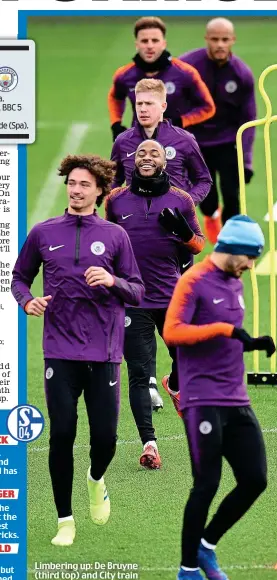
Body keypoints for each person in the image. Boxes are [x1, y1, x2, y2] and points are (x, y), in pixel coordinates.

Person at [11, 155, 145, 547]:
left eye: (85, 184)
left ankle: (96, 479)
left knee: (105, 439)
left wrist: (112, 279)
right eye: (71, 182)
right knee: (62, 434)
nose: (76, 189)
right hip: (59, 350)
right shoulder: (43, 232)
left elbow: (138, 290)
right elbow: (20, 277)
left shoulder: (116, 236)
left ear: (100, 191)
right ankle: (64, 520)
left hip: (103, 351)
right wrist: (26, 301)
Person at [163, 215, 276, 580]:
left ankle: (207, 546)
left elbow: (231, 334)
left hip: (235, 397)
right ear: (232, 250)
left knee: (254, 479)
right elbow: (173, 332)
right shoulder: (193, 281)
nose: (250, 266)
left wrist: (252, 341)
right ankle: (187, 570)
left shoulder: (234, 282)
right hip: (201, 398)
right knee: (206, 483)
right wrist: (226, 330)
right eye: (248, 257)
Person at [111, 77, 212, 411]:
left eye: (148, 104)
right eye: (138, 104)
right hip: (136, 236)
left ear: (163, 106)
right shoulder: (124, 141)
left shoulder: (183, 140)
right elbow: (113, 183)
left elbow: (204, 180)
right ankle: (149, 383)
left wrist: (185, 209)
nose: (142, 109)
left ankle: (174, 380)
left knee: (177, 322)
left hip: (177, 240)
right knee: (138, 309)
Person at [106, 139, 205, 470]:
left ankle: (175, 385)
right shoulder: (117, 201)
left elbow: (198, 245)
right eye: (142, 153)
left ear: (165, 162)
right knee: (138, 372)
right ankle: (149, 444)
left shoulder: (181, 200)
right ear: (133, 160)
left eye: (155, 153)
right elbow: (106, 244)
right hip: (132, 301)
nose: (147, 156)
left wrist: (182, 232)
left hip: (171, 300)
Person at [180, 18, 257, 244]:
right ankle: (211, 215)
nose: (220, 44)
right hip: (196, 143)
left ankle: (231, 243)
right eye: (215, 39)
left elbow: (248, 118)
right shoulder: (188, 66)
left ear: (233, 40)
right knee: (208, 198)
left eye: (225, 39)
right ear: (207, 40)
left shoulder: (242, 74)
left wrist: (246, 160)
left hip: (228, 142)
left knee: (233, 195)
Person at [107, 16, 215, 141]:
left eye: (155, 40)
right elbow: (115, 97)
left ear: (164, 44)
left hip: (178, 144)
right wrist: (116, 123)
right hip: (139, 145)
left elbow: (208, 107)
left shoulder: (186, 73)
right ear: (137, 45)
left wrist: (181, 121)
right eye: (144, 41)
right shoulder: (124, 75)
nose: (150, 46)